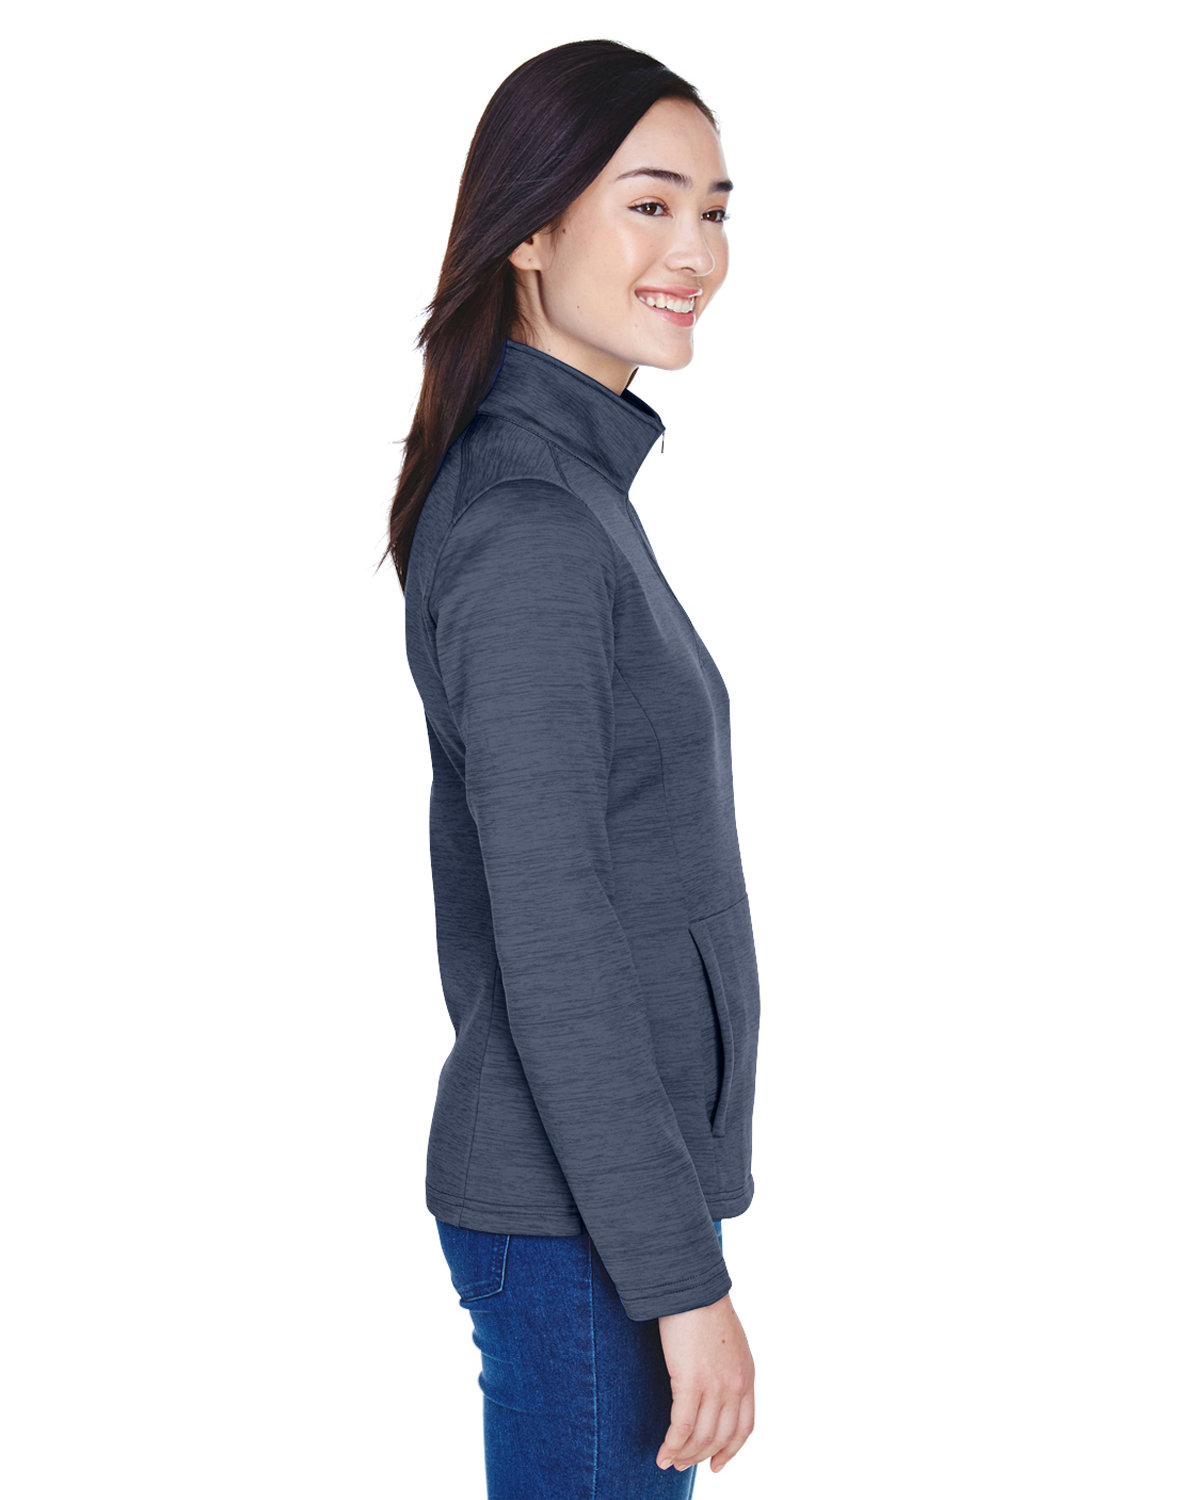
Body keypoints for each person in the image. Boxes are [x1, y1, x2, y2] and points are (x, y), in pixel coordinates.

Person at [381, 39, 761, 1498]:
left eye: (714, 210)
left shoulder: (566, 493)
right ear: (530, 233)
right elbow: (556, 935)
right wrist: (679, 1278)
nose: (696, 252)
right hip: (582, 1225)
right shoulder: (533, 525)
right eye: (649, 205)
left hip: (596, 1201)